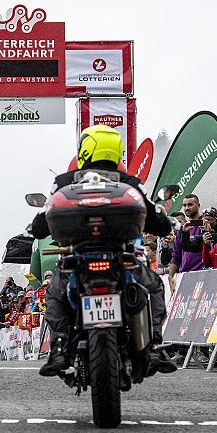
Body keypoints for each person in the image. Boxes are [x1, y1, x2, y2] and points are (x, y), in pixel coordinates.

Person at [30, 125, 175, 377]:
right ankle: (153, 346)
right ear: (116, 151)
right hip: (122, 258)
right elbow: (157, 220)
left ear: (84, 150)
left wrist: (35, 228)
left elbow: (41, 224)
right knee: (153, 287)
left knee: (55, 295)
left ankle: (61, 347)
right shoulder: (130, 183)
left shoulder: (64, 182)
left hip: (78, 259)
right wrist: (164, 223)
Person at [168, 194, 204, 292]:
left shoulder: (206, 224)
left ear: (198, 205)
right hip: (184, 277)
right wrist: (170, 276)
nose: (187, 208)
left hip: (203, 276)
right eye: (184, 205)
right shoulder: (182, 230)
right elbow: (176, 256)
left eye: (190, 204)